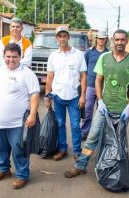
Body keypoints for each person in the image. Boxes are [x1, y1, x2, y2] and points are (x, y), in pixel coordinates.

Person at [64, 29, 129, 178]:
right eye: (117, 39)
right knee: (92, 136)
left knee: (118, 141)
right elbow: (98, 80)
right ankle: (81, 165)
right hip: (104, 108)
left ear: (126, 41)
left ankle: (114, 171)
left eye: (122, 40)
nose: (119, 42)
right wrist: (100, 101)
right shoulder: (104, 58)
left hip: (121, 109)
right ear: (113, 40)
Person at [0, 43, 40, 189]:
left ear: (20, 57)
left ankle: (22, 175)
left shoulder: (27, 73)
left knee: (19, 149)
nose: (11, 60)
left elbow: (34, 95)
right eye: (8, 57)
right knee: (2, 148)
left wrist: (33, 115)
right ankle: (3, 169)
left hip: (17, 123)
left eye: (14, 57)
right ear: (4, 56)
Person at [45, 26, 87, 161]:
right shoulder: (53, 56)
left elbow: (84, 76)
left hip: (74, 96)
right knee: (60, 124)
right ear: (56, 38)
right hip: (58, 96)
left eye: (64, 36)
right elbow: (50, 76)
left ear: (68, 37)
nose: (62, 39)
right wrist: (47, 95)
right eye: (59, 36)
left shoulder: (78, 54)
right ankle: (62, 149)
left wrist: (83, 96)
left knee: (75, 125)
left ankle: (77, 151)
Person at [80, 30, 109, 140]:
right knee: (88, 110)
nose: (101, 40)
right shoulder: (89, 52)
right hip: (90, 86)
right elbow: (83, 69)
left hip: (104, 87)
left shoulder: (108, 53)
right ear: (96, 39)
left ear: (106, 39)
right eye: (99, 38)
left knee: (102, 111)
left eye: (103, 38)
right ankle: (84, 132)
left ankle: (100, 132)